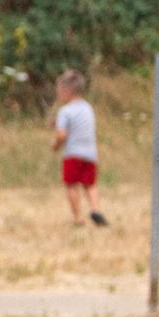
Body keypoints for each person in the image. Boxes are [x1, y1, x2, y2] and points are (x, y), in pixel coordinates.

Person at [52, 69, 104, 226]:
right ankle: (95, 209)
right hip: (90, 153)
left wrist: (55, 145)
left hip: (73, 153)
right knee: (90, 184)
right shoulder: (88, 108)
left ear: (67, 91)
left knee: (71, 185)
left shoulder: (65, 111)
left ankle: (77, 218)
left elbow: (62, 135)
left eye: (60, 91)